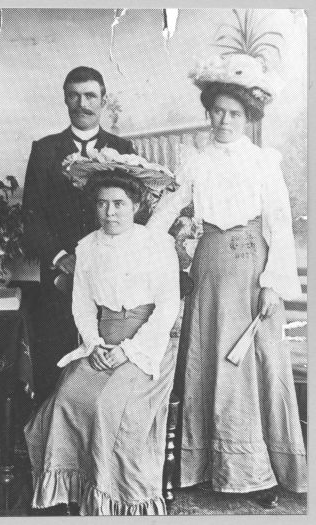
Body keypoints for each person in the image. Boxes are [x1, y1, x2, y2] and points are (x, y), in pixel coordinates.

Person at [147, 54, 307, 508]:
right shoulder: (195, 160)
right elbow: (169, 206)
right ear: (208, 112)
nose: (224, 120)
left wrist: (273, 284)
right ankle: (206, 467)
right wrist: (139, 241)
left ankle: (260, 473)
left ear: (248, 117)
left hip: (252, 267)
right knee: (206, 362)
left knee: (251, 366)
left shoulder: (263, 161)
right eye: (217, 111)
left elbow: (277, 224)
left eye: (234, 113)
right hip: (210, 266)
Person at [24, 170, 181, 516]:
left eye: (119, 204)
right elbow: (82, 304)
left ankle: (114, 497)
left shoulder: (157, 244)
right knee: (67, 397)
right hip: (102, 340)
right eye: (102, 204)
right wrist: (95, 344)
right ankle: (76, 491)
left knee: (110, 404)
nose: (110, 212)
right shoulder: (88, 247)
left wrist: (127, 351)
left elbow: (168, 306)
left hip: (148, 344)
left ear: (137, 205)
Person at [22, 67, 135, 400]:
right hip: (59, 275)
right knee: (54, 361)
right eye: (74, 95)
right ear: (65, 98)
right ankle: (52, 444)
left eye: (90, 96)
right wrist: (60, 258)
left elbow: (131, 211)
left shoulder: (122, 147)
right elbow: (31, 216)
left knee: (102, 360)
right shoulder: (44, 150)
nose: (82, 103)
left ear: (103, 99)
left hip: (109, 274)